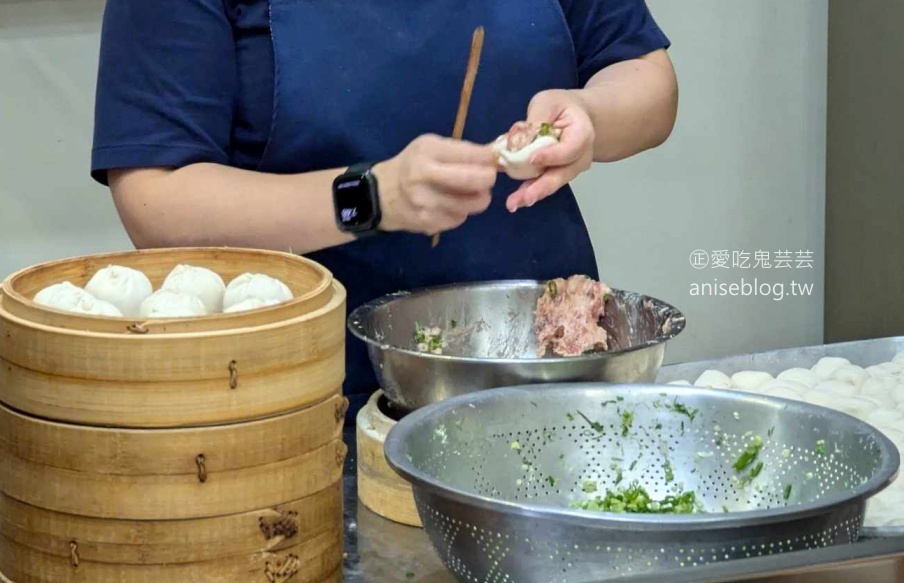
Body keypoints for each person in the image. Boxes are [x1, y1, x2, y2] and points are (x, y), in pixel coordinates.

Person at [90, 0, 679, 421]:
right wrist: (371, 198)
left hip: (549, 371)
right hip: (314, 402)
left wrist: (590, 116)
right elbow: (155, 197)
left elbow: (647, 80)